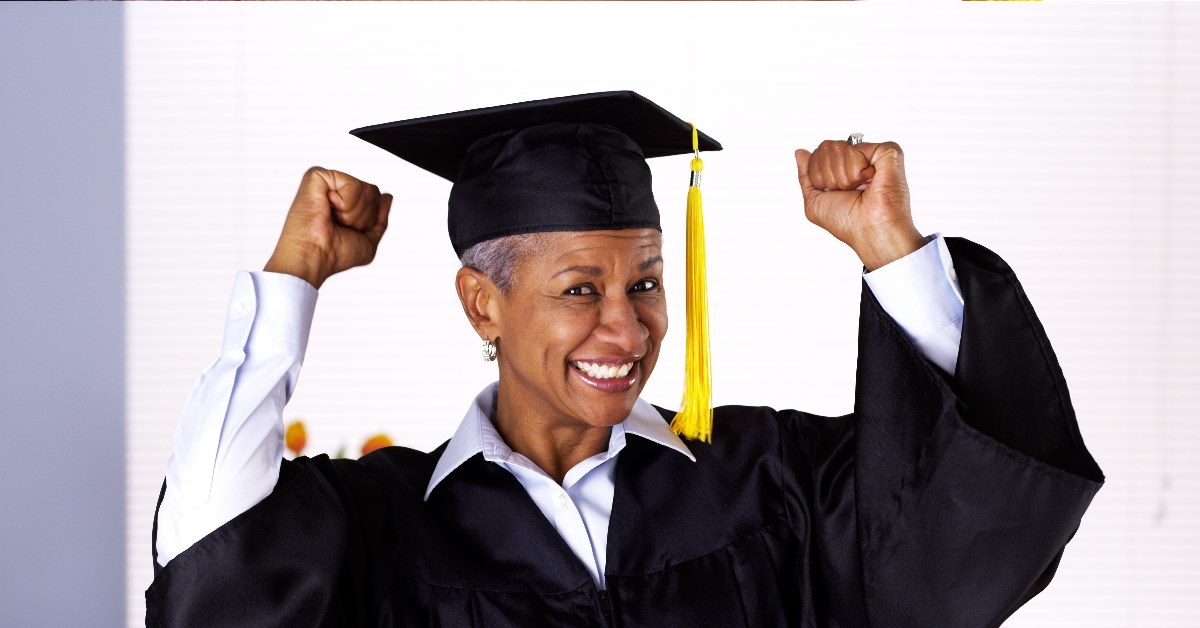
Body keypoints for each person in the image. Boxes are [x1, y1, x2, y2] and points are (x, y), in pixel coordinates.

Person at [146, 92, 1102, 627]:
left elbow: (974, 527)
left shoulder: (773, 483)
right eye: (578, 290)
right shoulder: (387, 526)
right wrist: (295, 276)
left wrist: (895, 253)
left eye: (646, 282)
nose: (628, 327)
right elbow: (211, 554)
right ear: (484, 301)